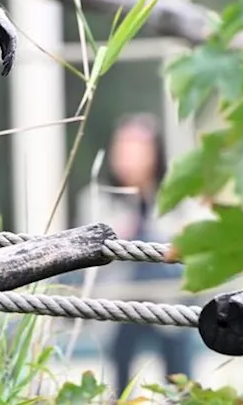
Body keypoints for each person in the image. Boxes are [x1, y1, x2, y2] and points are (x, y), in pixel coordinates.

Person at [83, 113, 201, 394]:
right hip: (119, 300)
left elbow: (189, 240)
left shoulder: (175, 199)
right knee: (118, 379)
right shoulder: (97, 199)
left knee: (180, 375)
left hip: (168, 300)